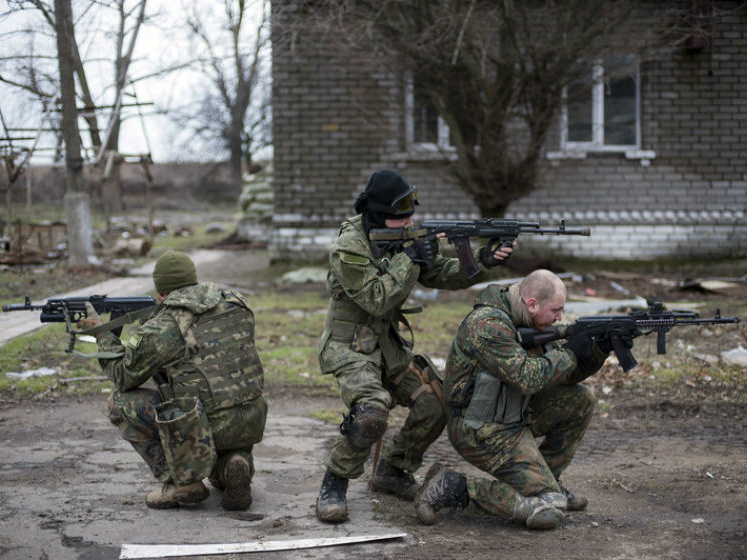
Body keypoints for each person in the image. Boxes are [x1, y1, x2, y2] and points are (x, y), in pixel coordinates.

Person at [315, 169, 513, 522]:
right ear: (377, 214)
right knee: (371, 413)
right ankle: (335, 481)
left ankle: (392, 470)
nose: (409, 220)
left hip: (387, 347)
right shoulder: (349, 247)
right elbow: (376, 299)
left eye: (411, 212)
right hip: (350, 348)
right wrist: (411, 256)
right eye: (400, 215)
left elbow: (439, 273)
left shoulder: (402, 237)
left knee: (436, 402)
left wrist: (483, 261)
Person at [415, 269, 614, 530]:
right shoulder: (488, 325)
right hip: (480, 429)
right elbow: (526, 378)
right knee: (550, 509)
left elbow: (561, 376)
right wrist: (571, 352)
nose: (560, 317)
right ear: (532, 304)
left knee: (580, 400)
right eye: (556, 310)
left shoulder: (530, 320)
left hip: (513, 414)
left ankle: (547, 482)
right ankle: (454, 487)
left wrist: (597, 351)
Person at [77, 250, 267, 511]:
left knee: (120, 403)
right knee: (216, 411)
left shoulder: (165, 325)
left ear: (161, 292)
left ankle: (181, 482)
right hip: (249, 420)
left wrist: (101, 333)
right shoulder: (236, 302)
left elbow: (122, 376)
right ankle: (235, 463)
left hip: (201, 427)